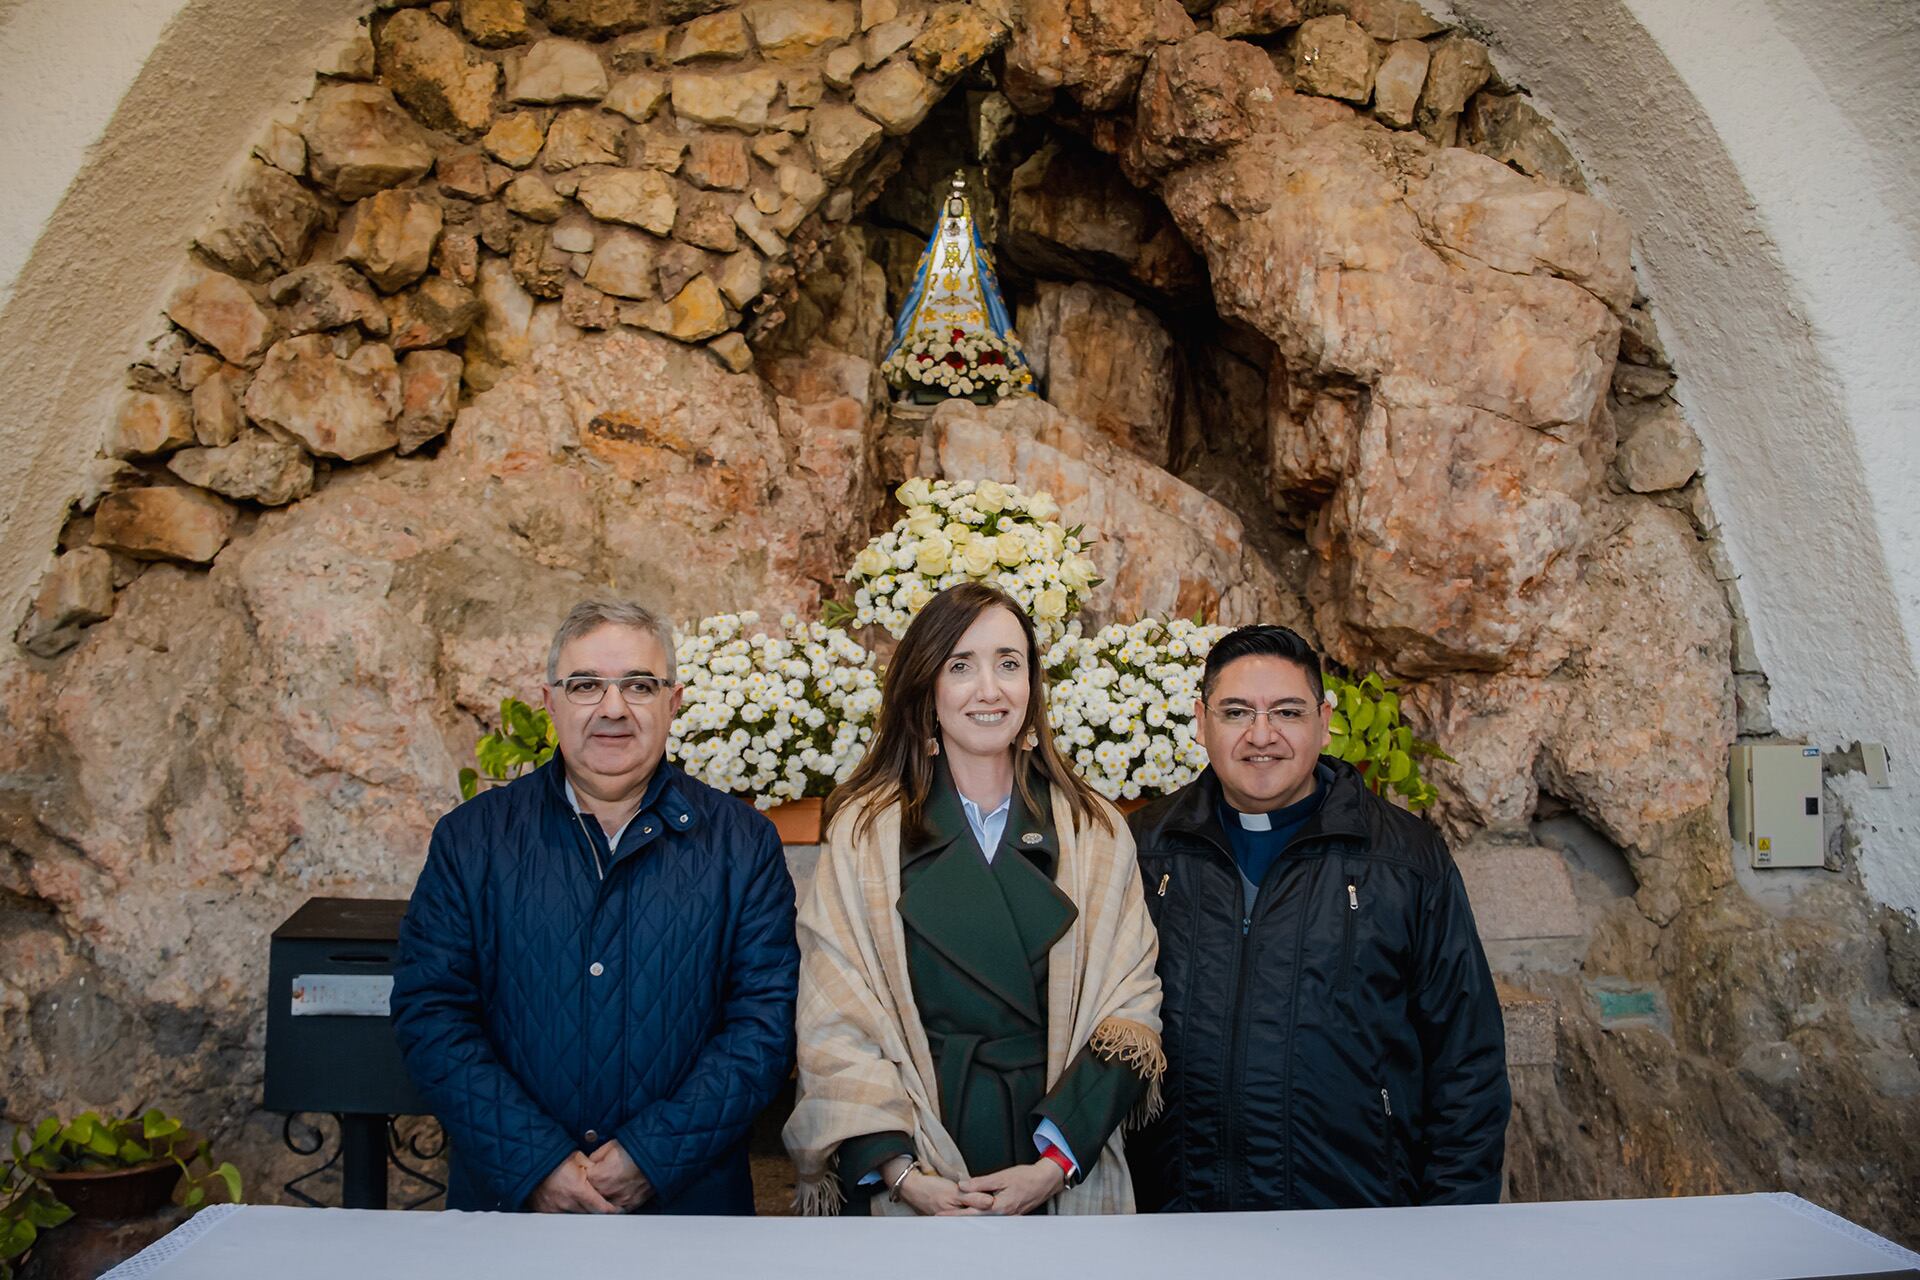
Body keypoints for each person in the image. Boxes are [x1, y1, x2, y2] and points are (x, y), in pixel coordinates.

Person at [391, 599, 798, 1214]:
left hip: (689, 1212)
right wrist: (535, 1163)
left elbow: (764, 1026)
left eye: (639, 685)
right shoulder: (473, 839)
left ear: (674, 702)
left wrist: (652, 1156)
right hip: (511, 1210)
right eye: (585, 686)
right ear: (550, 702)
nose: (613, 708)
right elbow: (431, 1013)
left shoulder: (743, 843)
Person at [785, 583, 1164, 1216]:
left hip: (1054, 1151)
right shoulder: (864, 834)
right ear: (927, 690)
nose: (989, 690)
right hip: (917, 1148)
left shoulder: (1094, 831)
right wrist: (904, 1174)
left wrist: (1053, 1164)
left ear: (1031, 687)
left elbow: (1131, 1006)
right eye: (961, 666)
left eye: (1008, 664)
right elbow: (835, 1014)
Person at [1127, 624, 1509, 1212]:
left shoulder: (1404, 859)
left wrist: (1450, 1230)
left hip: (1354, 1215)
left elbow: (1466, 1062)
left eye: (1287, 711)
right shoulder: (1143, 850)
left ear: (1324, 721)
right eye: (1235, 712)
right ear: (1201, 723)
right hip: (1177, 1215)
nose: (1262, 736)